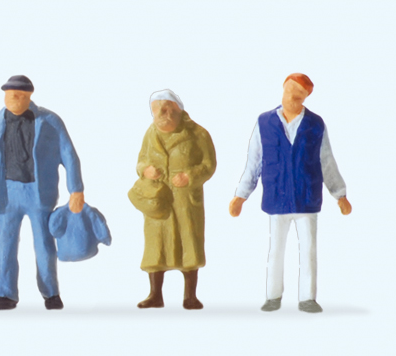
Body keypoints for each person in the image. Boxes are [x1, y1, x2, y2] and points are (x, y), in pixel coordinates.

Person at [229, 73, 351, 313]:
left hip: (307, 198)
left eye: (298, 95)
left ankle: (308, 298)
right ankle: (273, 296)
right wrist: (241, 196)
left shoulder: (315, 124)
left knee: (309, 250)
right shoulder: (264, 122)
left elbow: (326, 161)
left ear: (305, 97)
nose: (291, 98)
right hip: (277, 197)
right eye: (288, 92)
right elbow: (253, 162)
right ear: (282, 89)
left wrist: (340, 194)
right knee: (276, 250)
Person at [0, 75, 84, 310]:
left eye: (20, 95)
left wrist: (76, 190)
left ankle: (51, 293)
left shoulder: (50, 121)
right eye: (10, 94)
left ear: (29, 96)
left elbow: (69, 155)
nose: (15, 98)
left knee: (44, 244)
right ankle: (4, 293)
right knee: (5, 244)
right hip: (5, 194)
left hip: (38, 193)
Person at [130, 90, 216, 310]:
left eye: (167, 109)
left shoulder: (198, 134)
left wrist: (189, 176)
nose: (161, 114)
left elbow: (209, 165)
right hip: (158, 198)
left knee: (189, 243)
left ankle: (190, 296)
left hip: (185, 200)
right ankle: (155, 295)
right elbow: (140, 161)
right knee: (156, 246)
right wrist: (145, 170)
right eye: (156, 110)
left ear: (178, 110)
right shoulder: (151, 133)